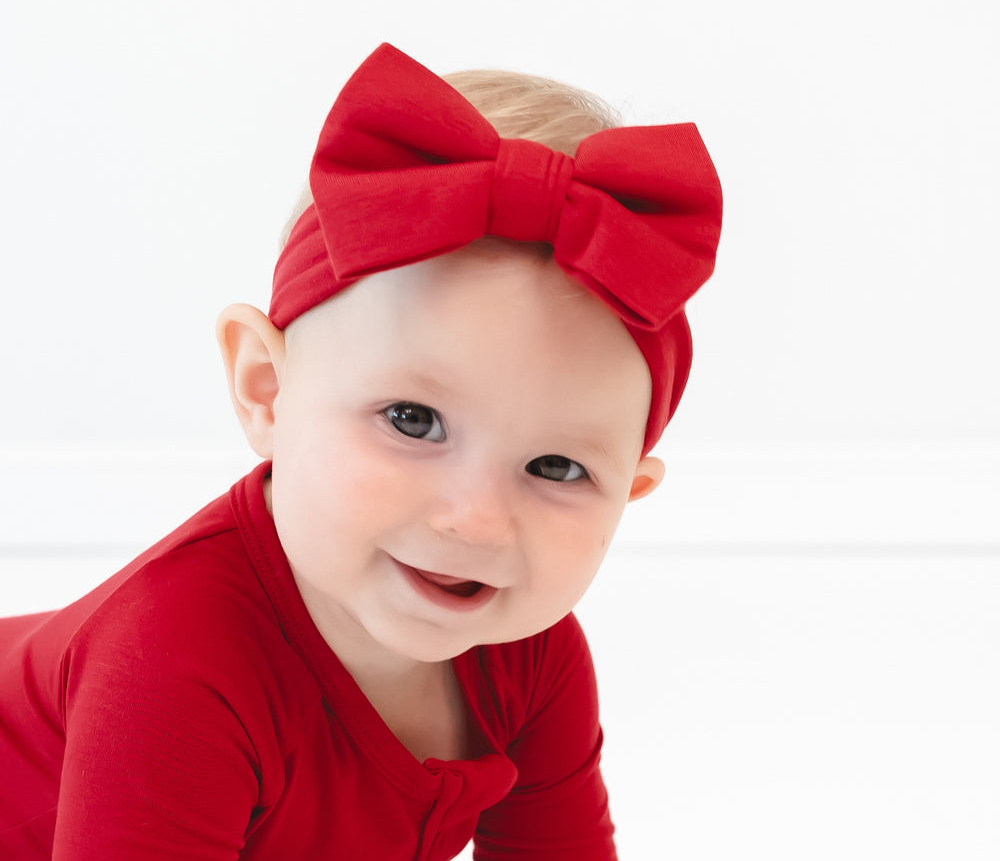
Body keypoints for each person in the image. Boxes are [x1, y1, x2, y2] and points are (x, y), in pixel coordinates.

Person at [0, 43, 722, 859]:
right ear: (267, 388)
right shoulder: (173, 666)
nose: (476, 522)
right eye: (412, 420)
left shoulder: (528, 655)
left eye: (556, 468)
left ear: (630, 490)